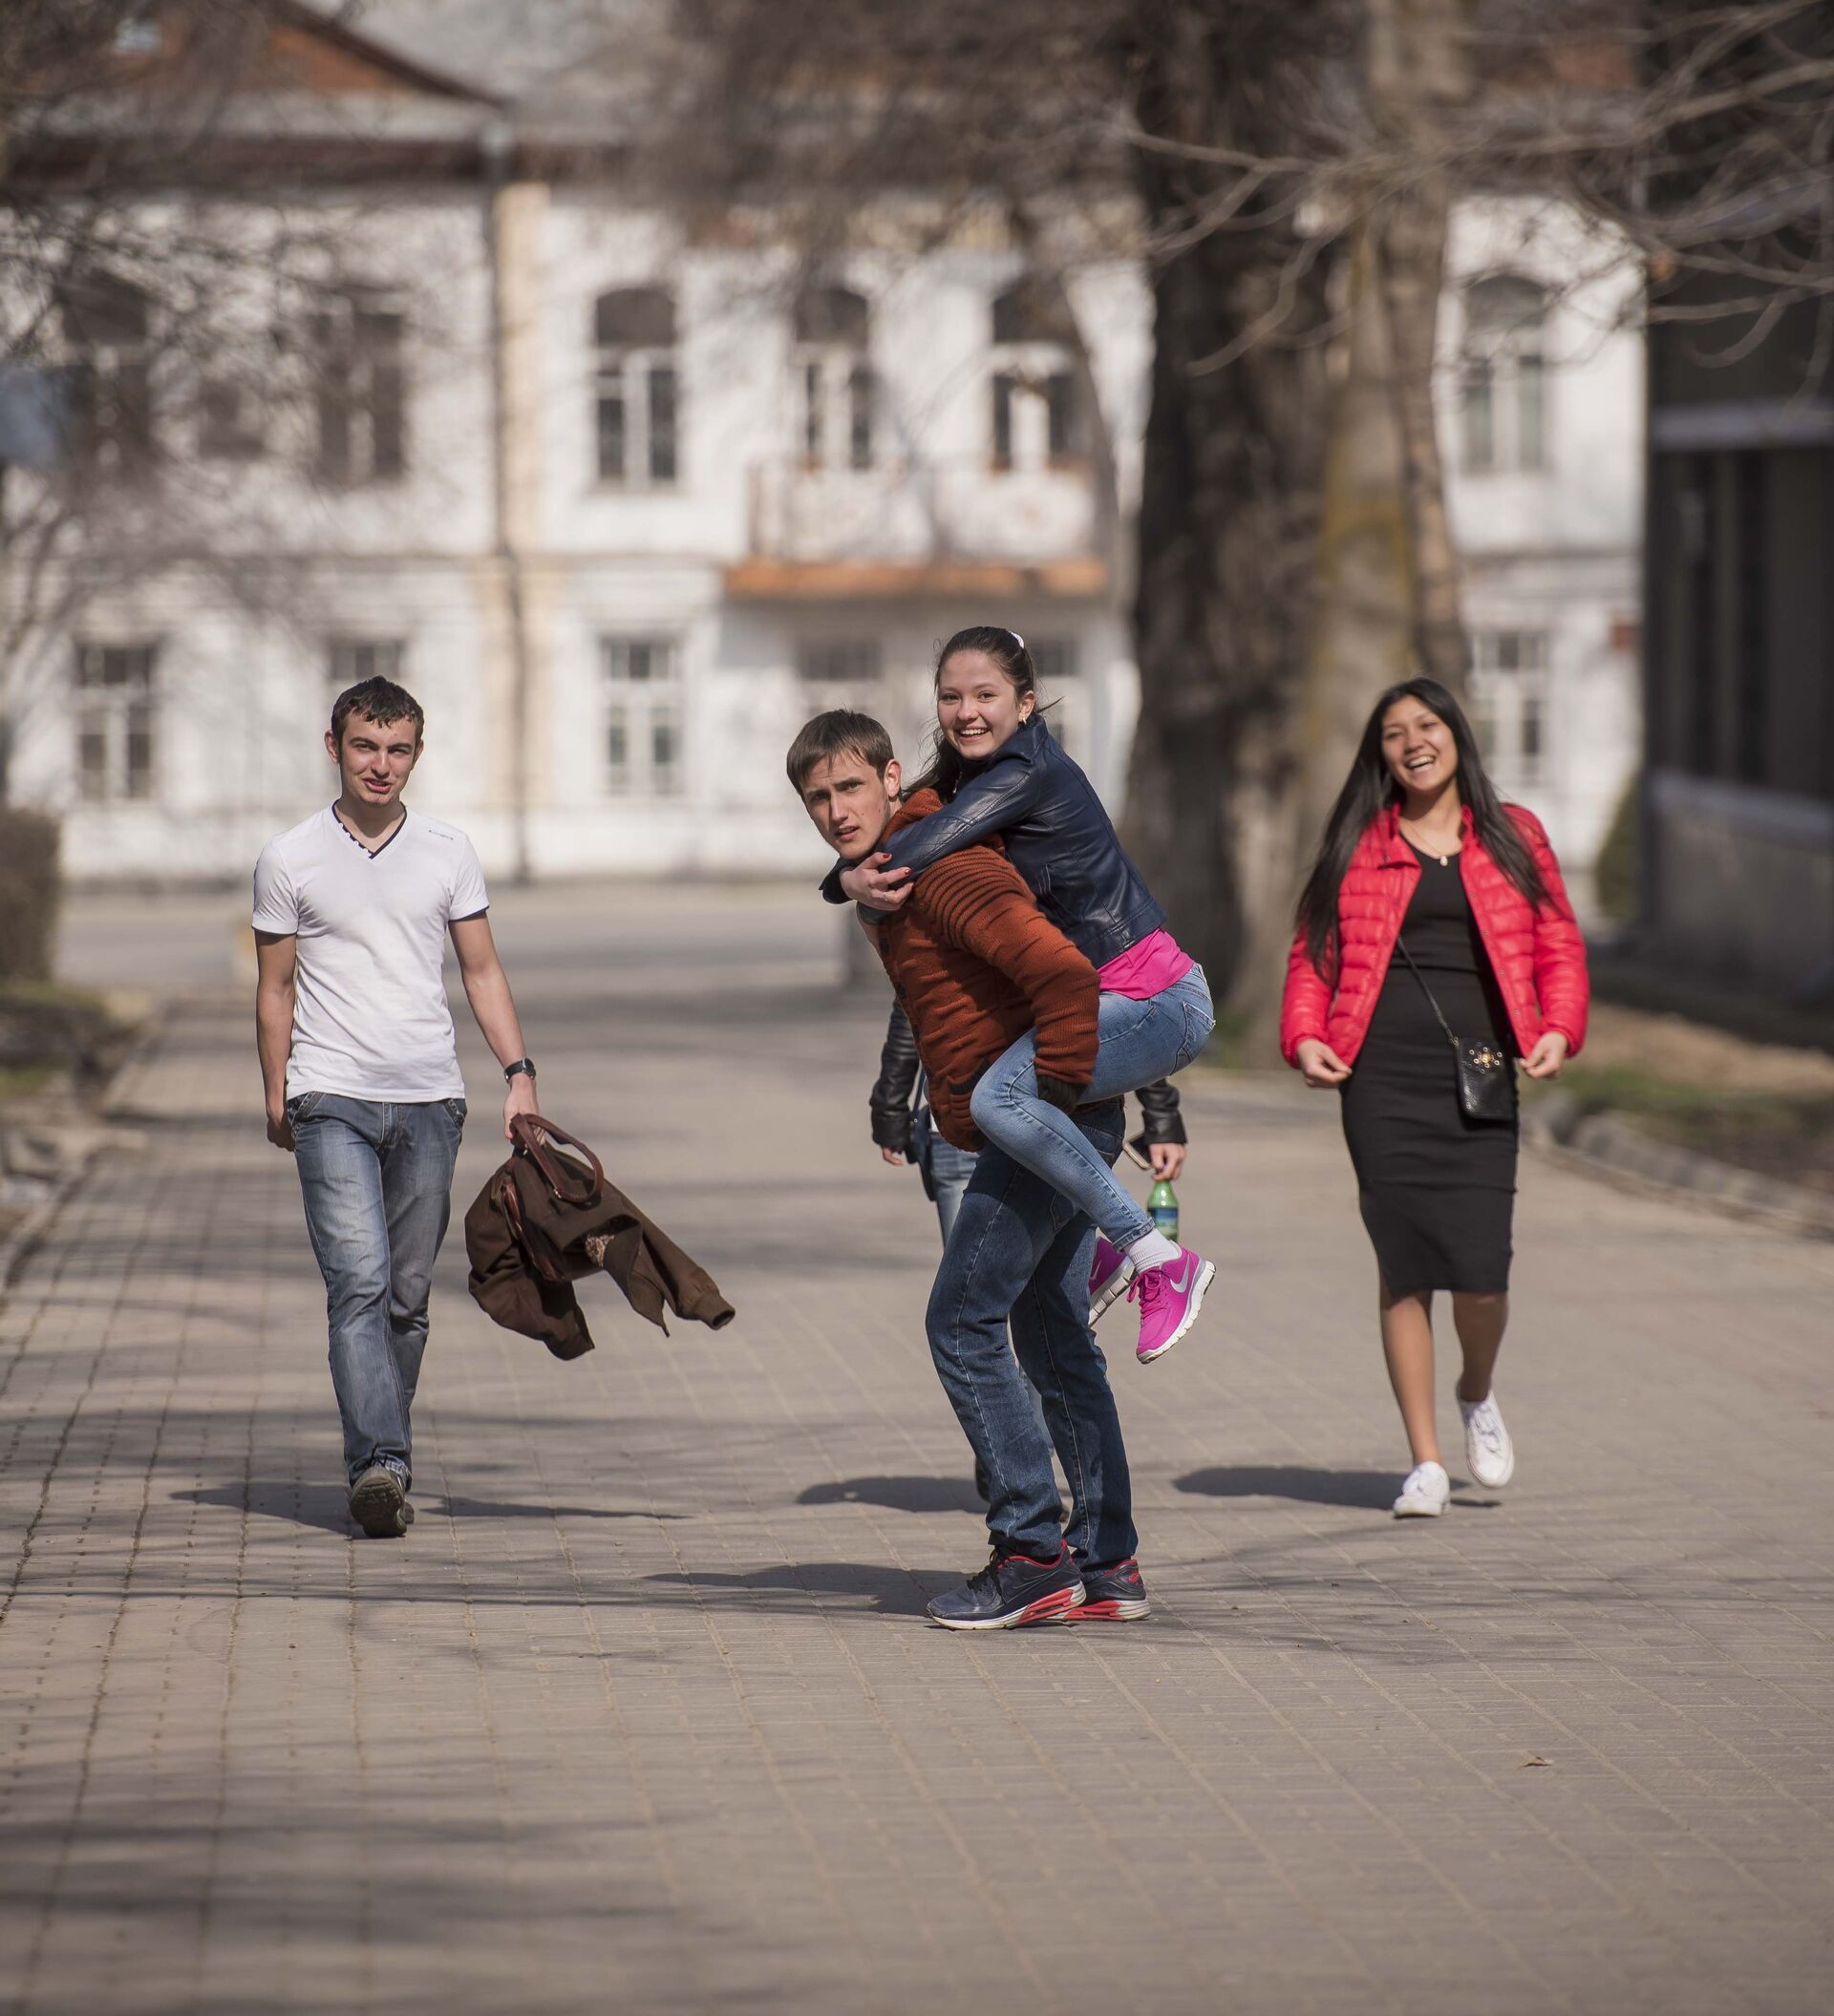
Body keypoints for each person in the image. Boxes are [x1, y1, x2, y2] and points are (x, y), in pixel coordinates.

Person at [792, 709, 1148, 1628]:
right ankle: (1109, 1562)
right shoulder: (891, 870)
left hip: (1035, 1122)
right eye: (817, 798)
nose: (836, 810)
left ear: (892, 776)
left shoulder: (940, 863)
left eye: (849, 787)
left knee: (960, 1320)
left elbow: (1066, 976)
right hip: (1041, 1120)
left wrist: (1050, 1112)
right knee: (1052, 1330)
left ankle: (1031, 1552)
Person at [832, 626, 1215, 1365]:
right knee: (1009, 1105)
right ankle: (1107, 1256)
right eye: (951, 696)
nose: (966, 710)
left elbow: (915, 845)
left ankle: (1158, 1257)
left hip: (1160, 1000)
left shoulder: (1027, 770)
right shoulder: (972, 776)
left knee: (998, 1100)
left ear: (1027, 703)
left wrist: (847, 882)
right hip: (1110, 1002)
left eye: (986, 695)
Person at [1279, 677, 1589, 1518]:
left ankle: (1476, 1389)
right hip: (1380, 1077)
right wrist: (1305, 1034)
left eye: (1427, 724)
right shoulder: (1358, 841)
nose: (1412, 741)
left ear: (1457, 734)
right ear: (1378, 753)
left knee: (1483, 1274)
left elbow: (1559, 939)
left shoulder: (1515, 835)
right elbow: (1314, 954)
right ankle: (1423, 1461)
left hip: (1483, 1072)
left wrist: (1560, 1024)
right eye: (1392, 732)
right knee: (1404, 1265)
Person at [253, 676, 542, 1539]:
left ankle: (386, 1452)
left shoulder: (448, 850)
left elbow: (481, 971)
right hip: (329, 1093)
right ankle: (378, 1462)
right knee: (360, 1285)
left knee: (408, 1298)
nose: (381, 765)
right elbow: (275, 988)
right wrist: (278, 1093)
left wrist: (518, 1072)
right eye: (365, 746)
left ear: (417, 753)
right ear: (333, 744)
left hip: (428, 1099)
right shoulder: (289, 856)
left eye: (398, 749)